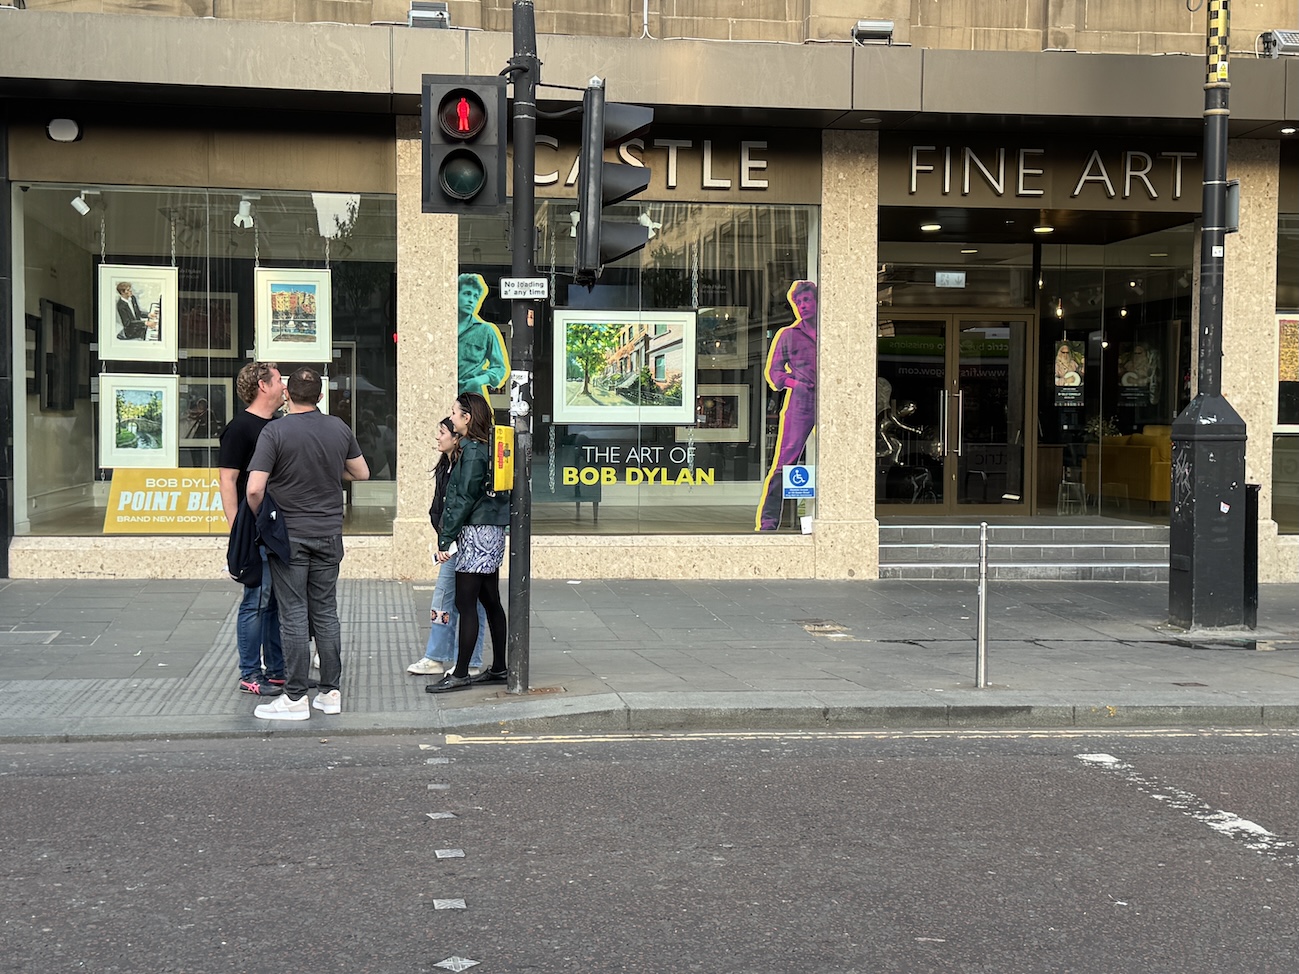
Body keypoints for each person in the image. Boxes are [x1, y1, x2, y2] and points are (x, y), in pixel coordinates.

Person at [245, 367, 369, 721]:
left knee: (294, 615)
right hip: (329, 533)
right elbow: (362, 472)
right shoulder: (338, 428)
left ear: (287, 394)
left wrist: (261, 519)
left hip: (289, 536)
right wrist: (328, 469)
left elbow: (254, 489)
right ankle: (330, 693)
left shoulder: (275, 431)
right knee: (326, 612)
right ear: (320, 396)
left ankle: (296, 697)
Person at [426, 392, 509, 693]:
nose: (451, 418)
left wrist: (446, 538)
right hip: (490, 531)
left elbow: (463, 498)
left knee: (466, 602)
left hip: (476, 533)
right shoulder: (484, 446)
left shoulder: (473, 451)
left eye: (454, 413)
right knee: (490, 600)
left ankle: (461, 672)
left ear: (467, 417)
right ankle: (499, 667)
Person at [217, 361, 287, 697]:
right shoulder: (240, 428)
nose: (284, 385)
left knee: (274, 602)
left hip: (277, 527)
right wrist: (238, 529)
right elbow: (227, 480)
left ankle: (277, 670)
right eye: (279, 379)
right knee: (257, 599)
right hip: (254, 527)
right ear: (263, 385)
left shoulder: (279, 424)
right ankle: (250, 673)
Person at [406, 416, 487, 677]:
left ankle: (444, 657)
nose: (437, 437)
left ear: (457, 436)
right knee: (466, 601)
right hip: (453, 542)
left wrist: (446, 539)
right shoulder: (447, 464)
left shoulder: (467, 463)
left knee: (454, 598)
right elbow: (441, 507)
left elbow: (461, 504)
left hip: (465, 542)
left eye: (442, 432)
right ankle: (458, 659)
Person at [755, 280, 818, 531]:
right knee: (785, 460)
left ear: (817, 301)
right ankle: (769, 522)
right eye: (798, 302)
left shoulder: (832, 332)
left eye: (806, 300)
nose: (802, 305)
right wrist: (795, 383)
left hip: (832, 400)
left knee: (838, 457)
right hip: (801, 402)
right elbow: (774, 372)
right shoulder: (788, 335)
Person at [456, 273, 510, 398]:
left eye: (476, 297)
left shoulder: (486, 331)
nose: (471, 300)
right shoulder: (441, 328)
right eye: (467, 294)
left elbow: (500, 367)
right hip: (440, 395)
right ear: (456, 295)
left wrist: (479, 380)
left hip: (471, 397)